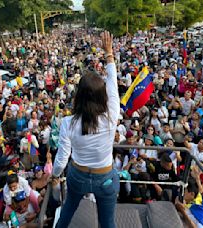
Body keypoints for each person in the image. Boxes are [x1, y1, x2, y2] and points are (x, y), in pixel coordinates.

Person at [52, 31, 120, 228]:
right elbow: (113, 82)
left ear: (78, 96)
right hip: (105, 177)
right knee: (107, 223)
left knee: (67, 213)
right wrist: (109, 53)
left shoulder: (68, 122)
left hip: (78, 176)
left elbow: (62, 158)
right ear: (103, 96)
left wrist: (55, 175)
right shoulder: (112, 115)